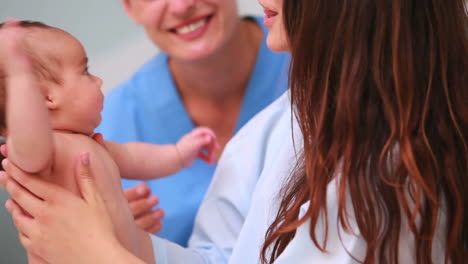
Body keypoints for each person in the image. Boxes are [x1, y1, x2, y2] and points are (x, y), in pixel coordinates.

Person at [1, 0, 467, 263]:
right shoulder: (272, 129)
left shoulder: (387, 170)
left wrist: (98, 252)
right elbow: (227, 257)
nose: (180, 4)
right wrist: (121, 240)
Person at [0, 19, 219, 264]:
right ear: (45, 96)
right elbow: (27, 135)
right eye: (84, 71)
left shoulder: (89, 144)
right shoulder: (42, 153)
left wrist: (178, 153)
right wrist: (20, 77)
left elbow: (133, 157)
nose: (98, 80)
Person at [96, 0, 289, 245]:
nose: (181, 6)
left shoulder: (318, 62)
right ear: (129, 7)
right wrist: (113, 243)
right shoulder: (105, 127)